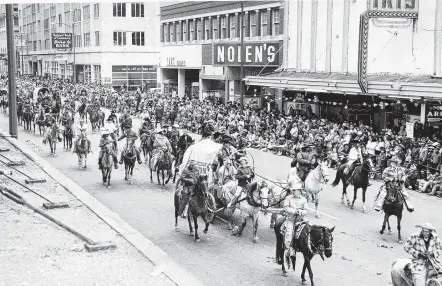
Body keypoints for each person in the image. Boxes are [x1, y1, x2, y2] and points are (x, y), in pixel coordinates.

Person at [280, 183, 308, 271]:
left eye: (300, 190)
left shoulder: (304, 199)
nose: (299, 192)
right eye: (297, 190)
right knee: (289, 233)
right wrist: (293, 211)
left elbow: (306, 210)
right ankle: (287, 249)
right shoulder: (288, 198)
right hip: (291, 219)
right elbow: (285, 208)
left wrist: (300, 212)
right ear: (293, 191)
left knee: (309, 229)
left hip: (301, 219)